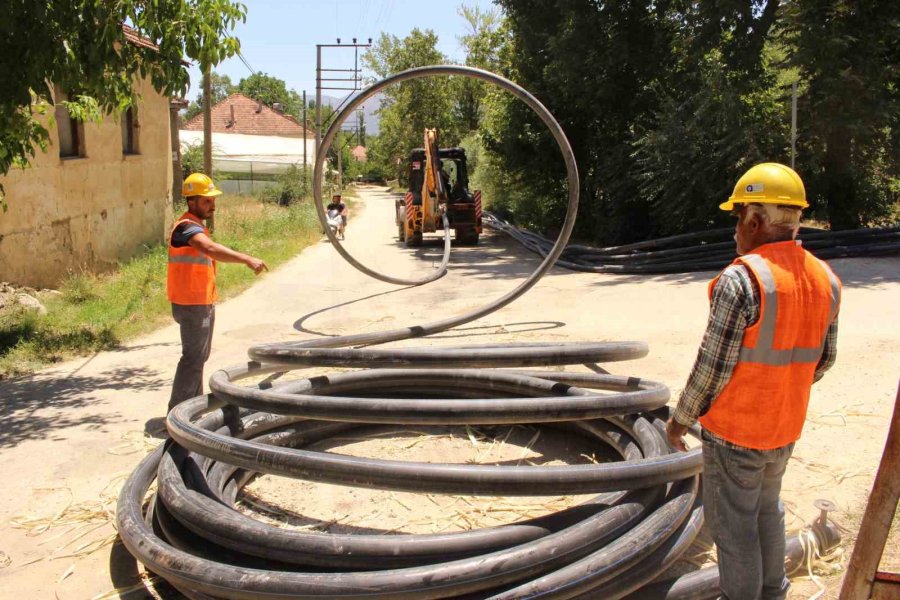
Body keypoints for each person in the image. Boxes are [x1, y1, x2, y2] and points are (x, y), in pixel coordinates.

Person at [665, 163, 841, 600]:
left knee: (735, 530)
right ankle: (773, 592)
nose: (735, 231)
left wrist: (680, 421)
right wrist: (781, 390)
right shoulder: (826, 279)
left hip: (735, 433)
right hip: (784, 430)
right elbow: (824, 360)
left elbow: (712, 368)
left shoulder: (742, 279)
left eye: (738, 218)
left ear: (756, 221)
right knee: (768, 511)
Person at [167, 173, 268, 413]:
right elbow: (210, 249)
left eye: (213, 200)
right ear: (191, 202)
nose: (212, 206)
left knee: (198, 358)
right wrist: (247, 259)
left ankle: (192, 408)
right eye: (206, 201)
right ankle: (178, 413)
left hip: (199, 301)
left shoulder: (195, 226)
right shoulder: (186, 228)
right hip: (191, 303)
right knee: (192, 359)